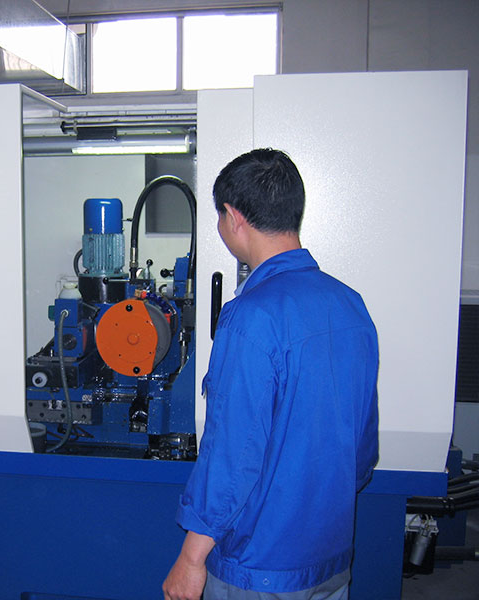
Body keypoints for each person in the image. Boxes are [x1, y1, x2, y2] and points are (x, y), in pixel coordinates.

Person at [163, 149, 379, 600]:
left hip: (258, 568)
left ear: (234, 217)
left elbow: (233, 456)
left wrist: (191, 558)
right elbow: (361, 450)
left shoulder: (251, 317)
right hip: (331, 556)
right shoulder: (350, 305)